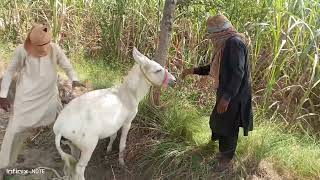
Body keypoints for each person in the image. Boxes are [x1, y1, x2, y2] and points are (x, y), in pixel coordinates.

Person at [0, 23, 84, 168]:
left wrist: (74, 78)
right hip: (26, 99)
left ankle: (77, 157)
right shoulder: (22, 51)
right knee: (14, 131)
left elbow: (66, 65)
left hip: (49, 96)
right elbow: (9, 72)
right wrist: (2, 95)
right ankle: (4, 165)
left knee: (64, 122)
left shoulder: (54, 49)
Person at [181, 14, 253, 171]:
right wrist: (193, 70)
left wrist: (226, 98)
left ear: (219, 32)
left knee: (229, 127)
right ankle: (223, 154)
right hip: (228, 92)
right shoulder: (225, 45)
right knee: (219, 121)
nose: (212, 38)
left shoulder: (234, 43)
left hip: (235, 95)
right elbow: (214, 67)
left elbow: (238, 73)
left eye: (212, 34)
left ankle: (226, 162)